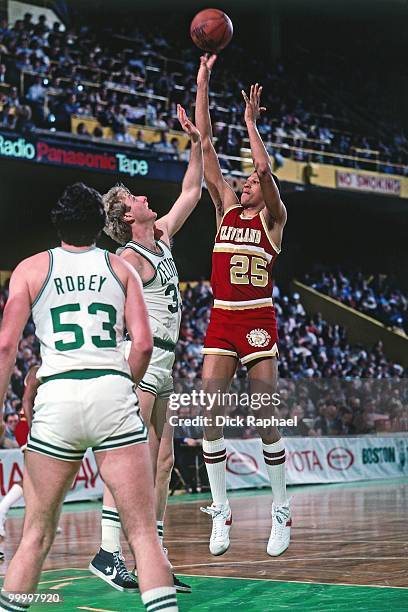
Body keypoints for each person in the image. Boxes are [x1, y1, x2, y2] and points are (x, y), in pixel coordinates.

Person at [0, 183, 178, 612]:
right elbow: (142, 345)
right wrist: (123, 384)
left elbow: (6, 346)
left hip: (57, 400)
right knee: (142, 538)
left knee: (35, 538)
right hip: (109, 394)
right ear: (101, 225)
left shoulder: (30, 269)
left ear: (57, 222)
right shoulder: (122, 269)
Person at [89, 104, 203, 594]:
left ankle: (153, 556)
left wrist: (197, 142)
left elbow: (192, 190)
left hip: (167, 362)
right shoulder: (125, 258)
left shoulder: (161, 238)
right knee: (130, 456)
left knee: (163, 460)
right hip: (140, 359)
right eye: (134, 197)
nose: (143, 196)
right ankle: (108, 551)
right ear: (124, 215)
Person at [196, 55, 291, 558]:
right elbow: (206, 144)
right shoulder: (225, 210)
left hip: (257, 317)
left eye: (251, 182)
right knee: (210, 411)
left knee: (264, 415)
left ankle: (279, 508)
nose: (247, 182)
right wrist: (203, 83)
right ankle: (221, 510)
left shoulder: (272, 221)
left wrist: (252, 124)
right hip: (221, 318)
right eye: (246, 183)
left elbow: (264, 169)